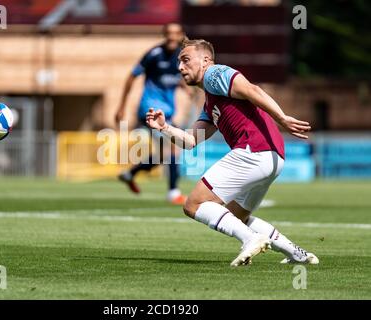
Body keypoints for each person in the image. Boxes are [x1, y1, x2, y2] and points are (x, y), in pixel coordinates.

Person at [146, 39, 319, 266]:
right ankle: (296, 253)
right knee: (236, 217)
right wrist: (165, 128)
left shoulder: (214, 74)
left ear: (205, 60)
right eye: (179, 62)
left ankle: (250, 240)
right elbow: (191, 141)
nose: (180, 67)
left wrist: (282, 118)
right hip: (272, 158)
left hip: (253, 151)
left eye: (186, 60)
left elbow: (251, 89)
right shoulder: (211, 101)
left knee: (193, 205)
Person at [115, 23, 188, 205]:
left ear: (181, 35)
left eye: (176, 33)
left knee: (165, 155)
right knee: (173, 149)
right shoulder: (154, 54)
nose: (172, 37)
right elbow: (132, 76)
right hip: (151, 110)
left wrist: (186, 88)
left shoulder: (181, 58)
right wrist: (121, 106)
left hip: (167, 113)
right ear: (164, 35)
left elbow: (174, 80)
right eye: (169, 33)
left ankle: (130, 174)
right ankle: (173, 192)